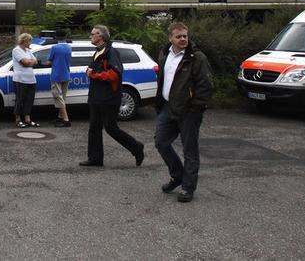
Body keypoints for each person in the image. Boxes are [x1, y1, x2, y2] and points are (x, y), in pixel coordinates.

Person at [154, 22, 214, 203]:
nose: (182, 39)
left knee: (190, 150)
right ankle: (178, 175)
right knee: (161, 142)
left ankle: (188, 187)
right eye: (178, 36)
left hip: (189, 111)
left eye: (185, 36)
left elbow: (206, 85)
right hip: (167, 107)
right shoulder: (164, 54)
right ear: (170, 38)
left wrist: (196, 108)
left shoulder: (197, 57)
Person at [80, 25, 145, 168]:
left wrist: (94, 75)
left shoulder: (111, 52)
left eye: (93, 34)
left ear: (101, 36)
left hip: (109, 98)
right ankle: (95, 159)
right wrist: (89, 71)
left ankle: (136, 147)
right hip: (96, 97)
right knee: (94, 128)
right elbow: (95, 70)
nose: (90, 36)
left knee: (111, 128)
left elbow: (114, 74)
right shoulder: (98, 52)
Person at [12, 33, 38, 128]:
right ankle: (18, 120)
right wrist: (29, 62)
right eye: (29, 41)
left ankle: (27, 119)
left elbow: (35, 61)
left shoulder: (28, 51)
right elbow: (25, 62)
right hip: (21, 79)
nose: (30, 43)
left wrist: (29, 62)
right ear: (24, 41)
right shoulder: (16, 50)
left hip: (31, 79)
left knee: (29, 100)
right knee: (20, 100)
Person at [48, 30, 72, 127]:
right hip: (66, 74)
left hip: (56, 75)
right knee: (63, 97)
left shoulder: (54, 48)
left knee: (57, 96)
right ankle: (60, 117)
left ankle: (66, 120)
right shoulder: (69, 47)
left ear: (56, 37)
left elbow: (49, 61)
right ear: (66, 36)